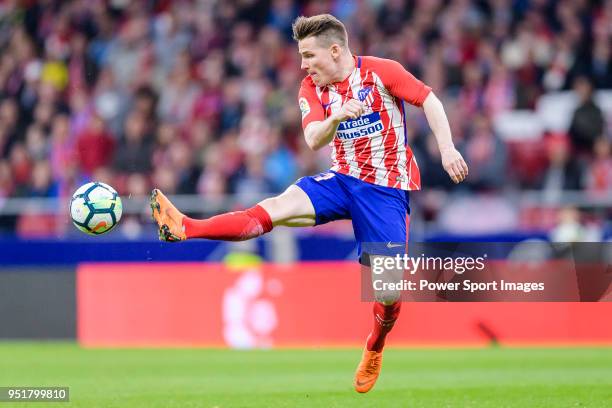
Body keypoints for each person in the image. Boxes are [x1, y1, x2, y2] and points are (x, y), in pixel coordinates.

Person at [151, 14, 468, 393]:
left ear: (335, 50)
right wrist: (336, 116)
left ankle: (374, 345)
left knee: (387, 293)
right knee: (274, 207)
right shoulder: (311, 89)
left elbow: (429, 99)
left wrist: (447, 149)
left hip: (385, 191)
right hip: (341, 180)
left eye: (309, 55)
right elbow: (315, 139)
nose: (303, 65)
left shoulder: (382, 72)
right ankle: (187, 227)